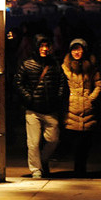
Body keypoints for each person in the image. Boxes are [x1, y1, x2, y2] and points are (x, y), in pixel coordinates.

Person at [14, 35, 66, 178]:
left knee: (53, 139)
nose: (44, 49)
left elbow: (62, 82)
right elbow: (18, 83)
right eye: (41, 46)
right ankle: (36, 169)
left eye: (46, 46)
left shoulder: (55, 64)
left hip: (50, 109)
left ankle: (43, 160)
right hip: (33, 110)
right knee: (33, 142)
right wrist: (28, 99)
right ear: (36, 47)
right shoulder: (27, 64)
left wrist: (58, 98)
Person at [61, 38, 101, 176]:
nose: (77, 52)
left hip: (88, 109)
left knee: (86, 143)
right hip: (71, 109)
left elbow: (98, 85)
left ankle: (81, 168)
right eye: (74, 49)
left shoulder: (91, 67)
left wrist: (90, 98)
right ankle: (78, 169)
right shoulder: (65, 67)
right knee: (75, 143)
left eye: (79, 49)